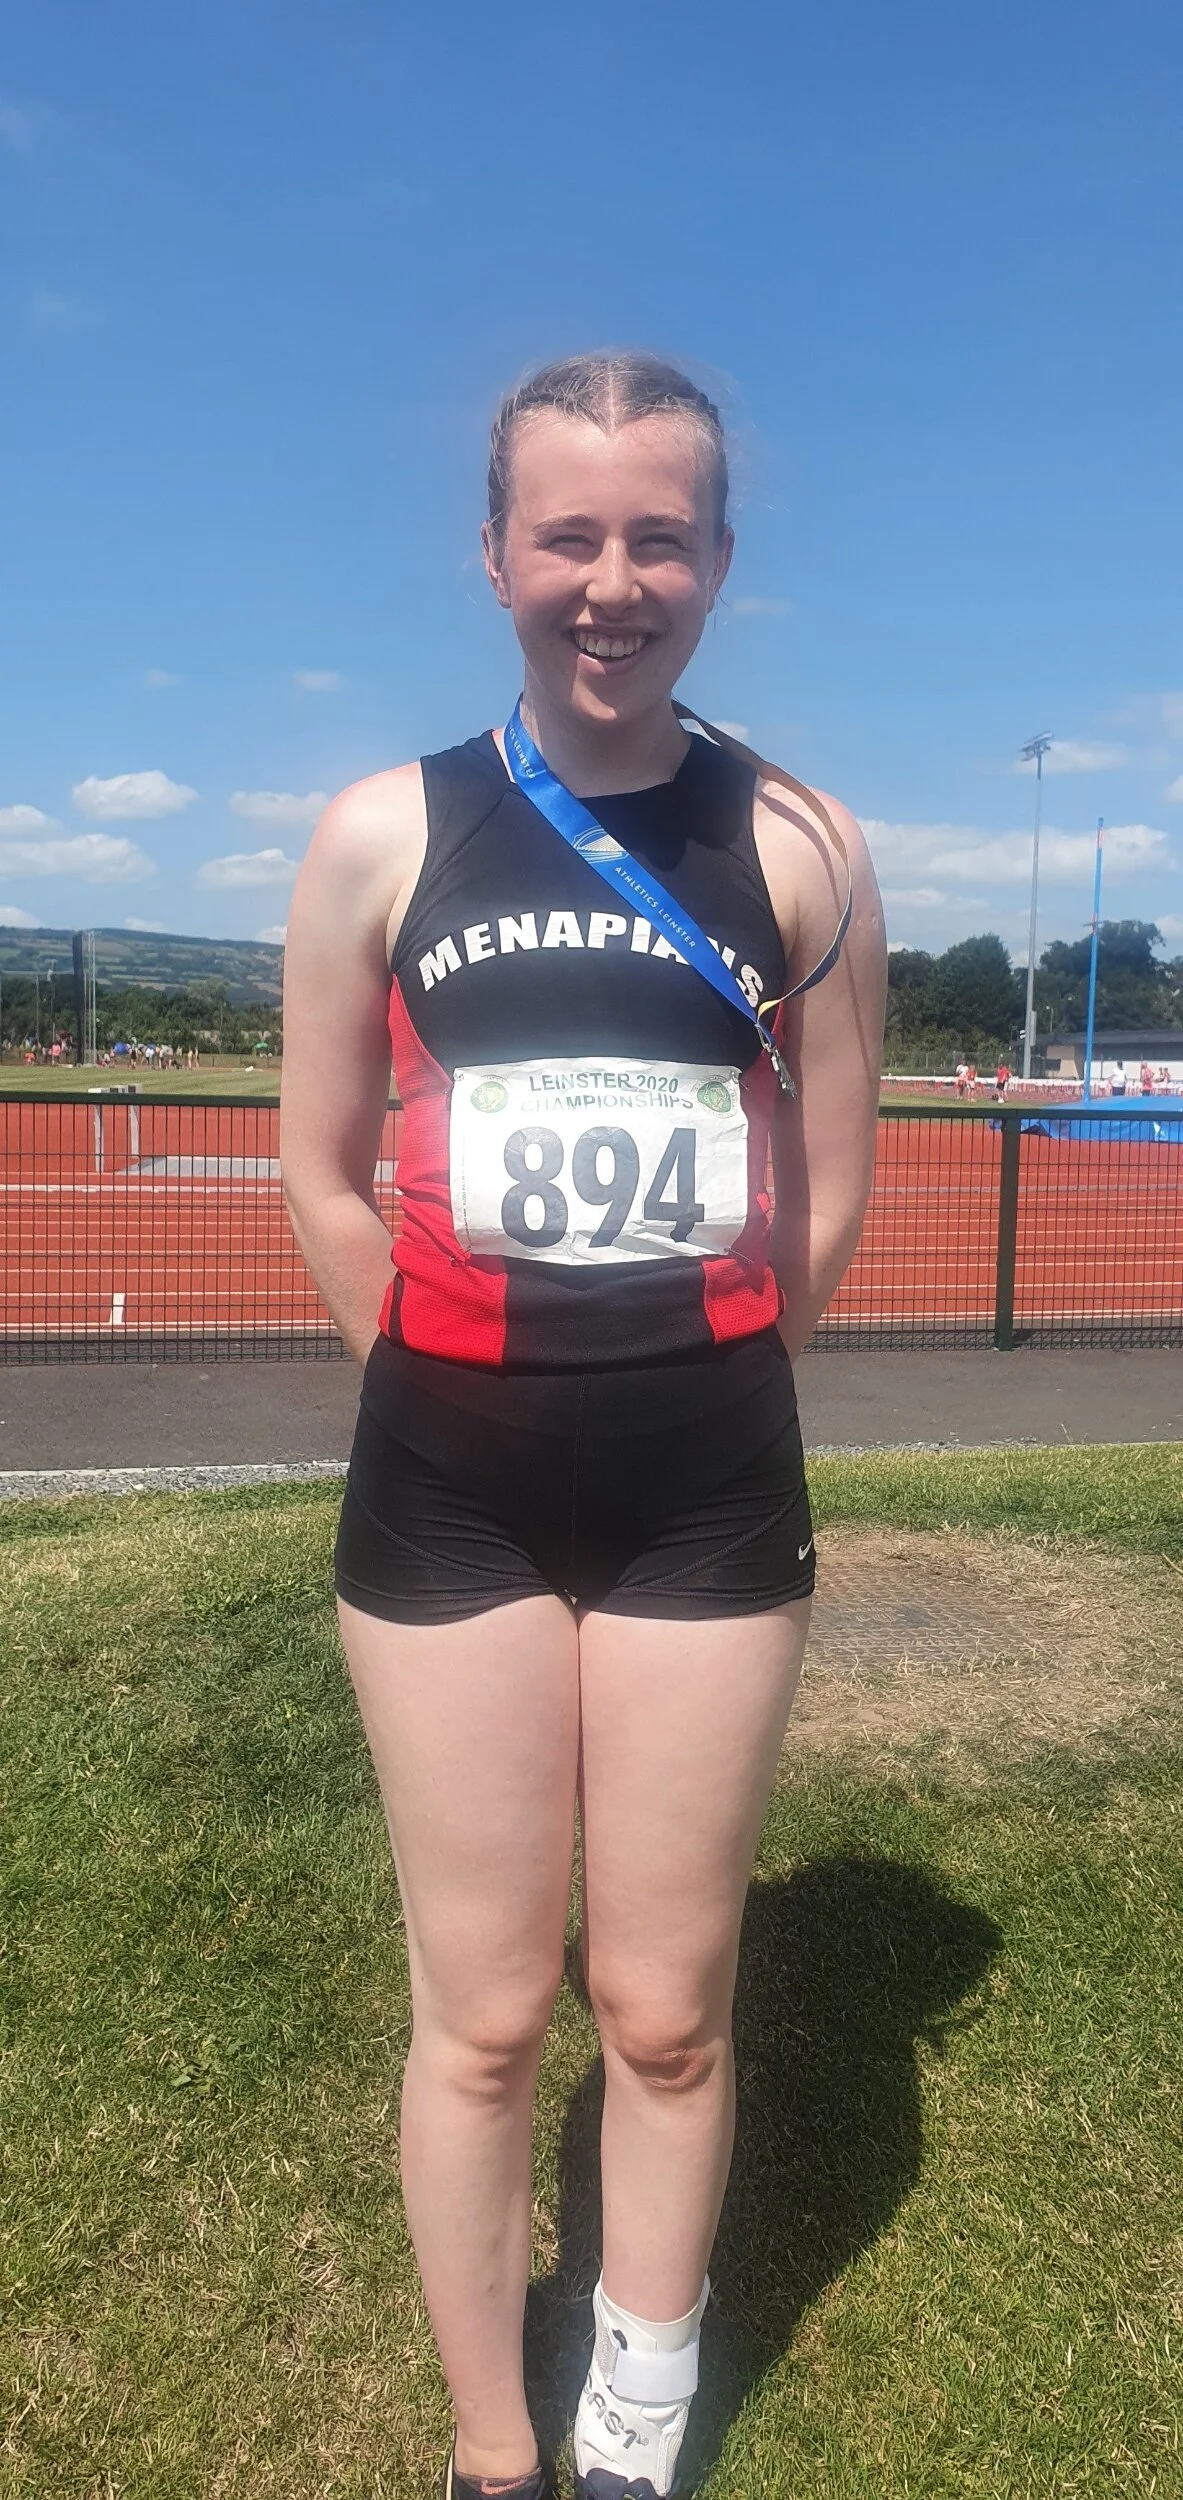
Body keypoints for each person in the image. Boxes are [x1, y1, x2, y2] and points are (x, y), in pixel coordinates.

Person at [281, 351, 886, 2500]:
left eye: (661, 536)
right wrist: (438, 1370)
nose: (612, 579)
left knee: (664, 2002)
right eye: (571, 533)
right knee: (486, 2011)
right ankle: (491, 2442)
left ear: (718, 560)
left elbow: (825, 1180)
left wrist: (703, 1379)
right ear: (496, 553)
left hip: (707, 1483)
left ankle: (637, 2416)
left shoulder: (800, 845)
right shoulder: (385, 831)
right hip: (444, 1479)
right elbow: (329, 1164)